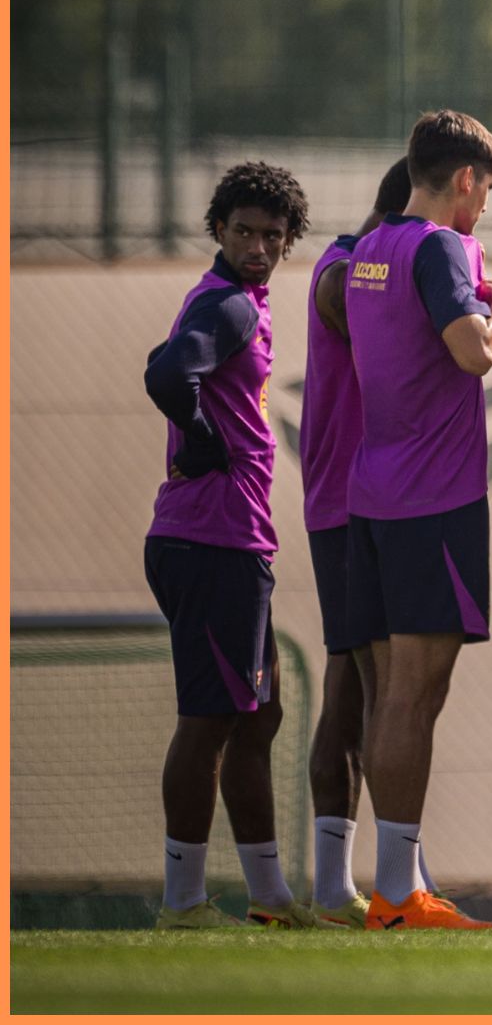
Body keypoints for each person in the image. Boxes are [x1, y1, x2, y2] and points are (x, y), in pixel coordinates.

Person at [346, 109, 492, 931]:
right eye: (485, 196)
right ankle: (395, 894)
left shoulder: (369, 248)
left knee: (394, 698)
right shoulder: (441, 246)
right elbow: (473, 354)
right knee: (414, 696)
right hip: (432, 500)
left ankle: (396, 880)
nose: (481, 213)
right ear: (465, 181)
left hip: (374, 494)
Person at [144, 161, 313, 929]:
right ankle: (183, 903)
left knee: (259, 714)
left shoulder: (233, 301)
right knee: (210, 718)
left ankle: (271, 898)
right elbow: (169, 373)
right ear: (219, 229)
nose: (257, 245)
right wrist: (208, 444)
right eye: (243, 231)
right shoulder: (231, 308)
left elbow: (168, 361)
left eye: (271, 236)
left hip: (228, 537)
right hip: (210, 537)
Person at [297, 157, 411, 928]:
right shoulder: (344, 267)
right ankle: (369, 880)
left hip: (377, 498)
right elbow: (347, 308)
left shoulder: (365, 265)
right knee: (369, 684)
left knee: (365, 681)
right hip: (347, 502)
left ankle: (357, 881)